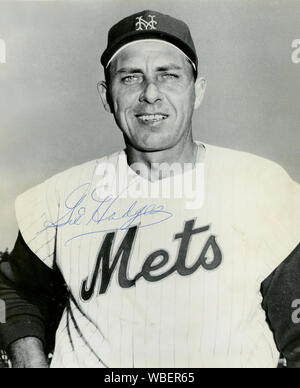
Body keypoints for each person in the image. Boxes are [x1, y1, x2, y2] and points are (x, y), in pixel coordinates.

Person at [0, 9, 299, 368]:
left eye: (169, 75)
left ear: (197, 90)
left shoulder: (261, 185)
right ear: (106, 96)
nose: (150, 94)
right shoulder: (59, 198)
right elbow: (14, 290)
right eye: (130, 78)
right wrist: (28, 359)